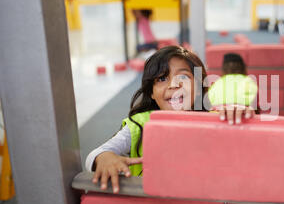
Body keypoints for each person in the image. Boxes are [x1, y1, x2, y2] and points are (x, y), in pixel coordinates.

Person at [87, 46, 255, 193]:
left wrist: (239, 117)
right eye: (162, 79)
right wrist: (104, 158)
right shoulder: (140, 125)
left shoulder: (213, 120)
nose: (173, 85)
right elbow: (93, 155)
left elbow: (248, 156)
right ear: (151, 92)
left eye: (183, 77)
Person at [207, 53, 258, 122]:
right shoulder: (250, 82)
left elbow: (209, 105)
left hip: (218, 118)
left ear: (223, 69)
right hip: (243, 119)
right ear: (244, 68)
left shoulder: (217, 83)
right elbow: (254, 107)